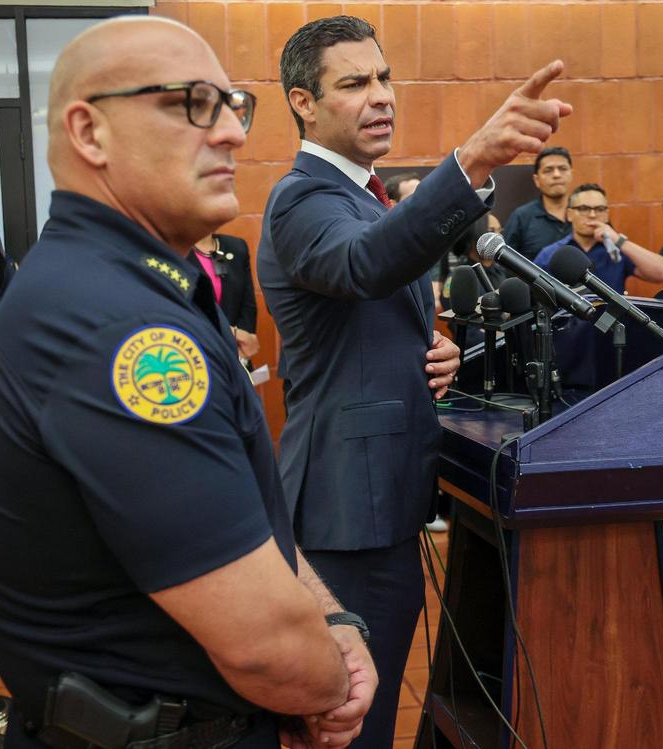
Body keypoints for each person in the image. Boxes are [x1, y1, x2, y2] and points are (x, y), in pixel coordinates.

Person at [0, 18, 377, 749]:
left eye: (232, 105)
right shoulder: (112, 325)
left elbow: (243, 520)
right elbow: (264, 649)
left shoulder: (134, 286)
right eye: (192, 104)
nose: (233, 134)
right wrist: (328, 681)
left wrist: (332, 620)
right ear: (90, 133)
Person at [257, 15, 572, 746]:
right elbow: (367, 263)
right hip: (345, 512)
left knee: (375, 704)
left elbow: (364, 308)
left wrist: (429, 349)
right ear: (303, 102)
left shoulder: (364, 196)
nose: (382, 96)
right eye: (355, 83)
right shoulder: (303, 197)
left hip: (381, 495)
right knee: (351, 719)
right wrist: (472, 161)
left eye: (384, 77)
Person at [535, 183, 663, 291]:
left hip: (612, 324)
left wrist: (618, 240)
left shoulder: (617, 250)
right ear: (570, 214)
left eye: (599, 209)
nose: (593, 215)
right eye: (583, 209)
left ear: (606, 215)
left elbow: (661, 273)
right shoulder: (553, 254)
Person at [190, 232, 259, 367]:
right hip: (196, 359)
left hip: (237, 358)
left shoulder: (236, 247)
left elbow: (248, 307)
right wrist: (231, 333)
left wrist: (241, 347)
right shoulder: (171, 252)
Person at [501, 145, 574, 259]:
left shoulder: (588, 212)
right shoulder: (522, 217)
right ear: (536, 180)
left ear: (571, 174)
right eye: (548, 170)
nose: (556, 175)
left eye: (563, 169)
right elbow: (505, 262)